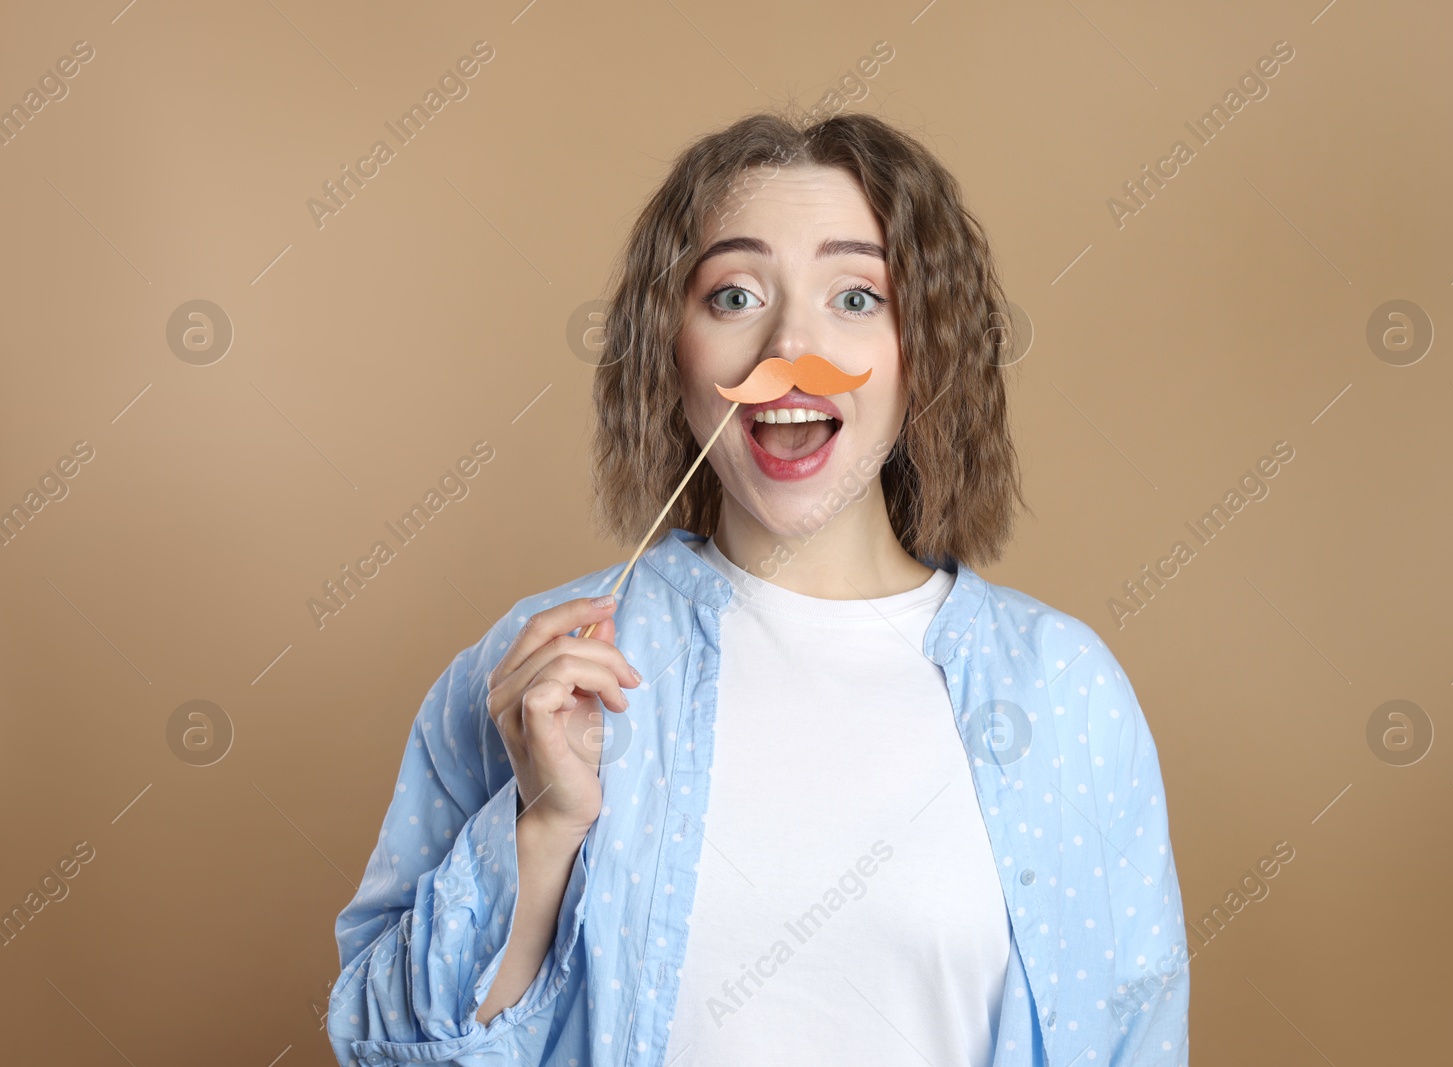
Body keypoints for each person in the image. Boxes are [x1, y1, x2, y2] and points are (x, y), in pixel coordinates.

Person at [327, 109, 1190, 1067]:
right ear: (671, 350)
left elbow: (1132, 1041)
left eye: (856, 297)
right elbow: (379, 1045)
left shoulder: (1063, 691)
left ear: (927, 350)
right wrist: (541, 829)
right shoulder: (544, 671)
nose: (790, 344)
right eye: (734, 295)